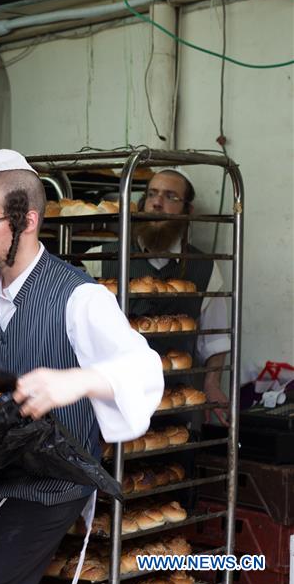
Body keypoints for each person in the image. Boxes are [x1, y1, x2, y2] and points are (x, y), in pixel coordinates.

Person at [0, 149, 163, 584]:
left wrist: (76, 380)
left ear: (28, 220)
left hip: (53, 481)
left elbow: (145, 368)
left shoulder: (80, 297)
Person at [83, 168, 231, 424]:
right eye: (152, 194)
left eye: (170, 196)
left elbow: (215, 338)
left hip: (177, 404)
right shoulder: (100, 259)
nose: (157, 203)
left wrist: (212, 383)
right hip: (112, 402)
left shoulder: (205, 268)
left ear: (187, 211)